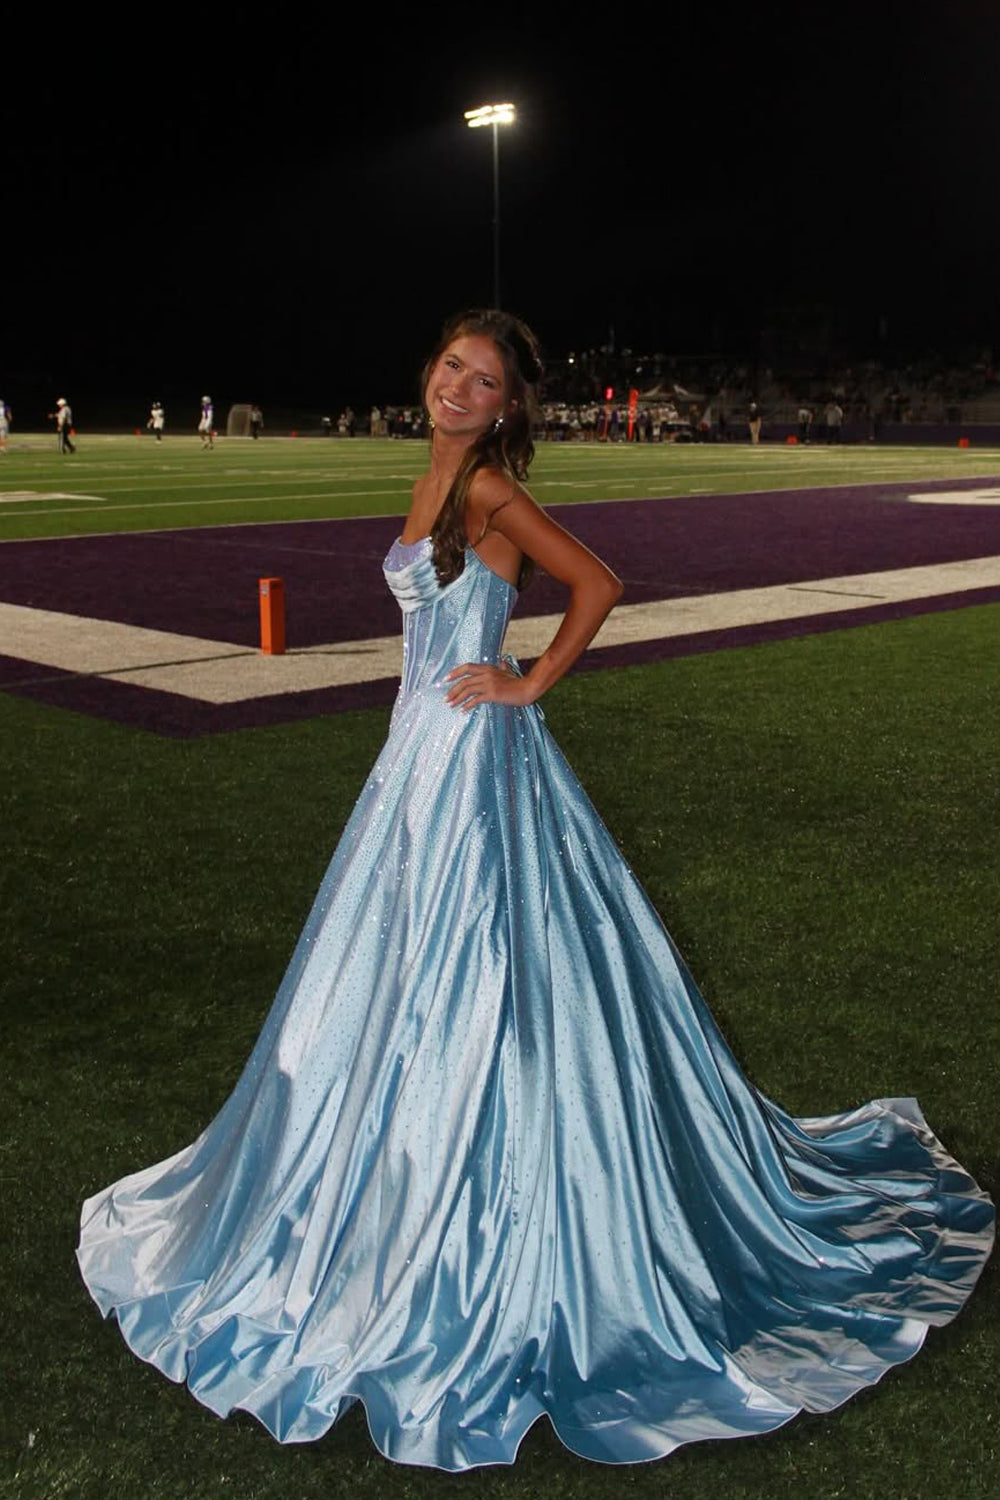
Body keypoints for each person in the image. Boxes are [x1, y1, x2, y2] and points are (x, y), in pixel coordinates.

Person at [76, 309, 993, 1473]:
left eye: (485, 380)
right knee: (410, 978)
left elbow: (596, 582)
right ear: (430, 369)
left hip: (465, 764)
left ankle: (480, 1212)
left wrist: (526, 681)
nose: (460, 388)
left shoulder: (486, 491)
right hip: (416, 759)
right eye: (452, 366)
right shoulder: (435, 474)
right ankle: (401, 1179)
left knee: (472, 975)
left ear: (509, 403)